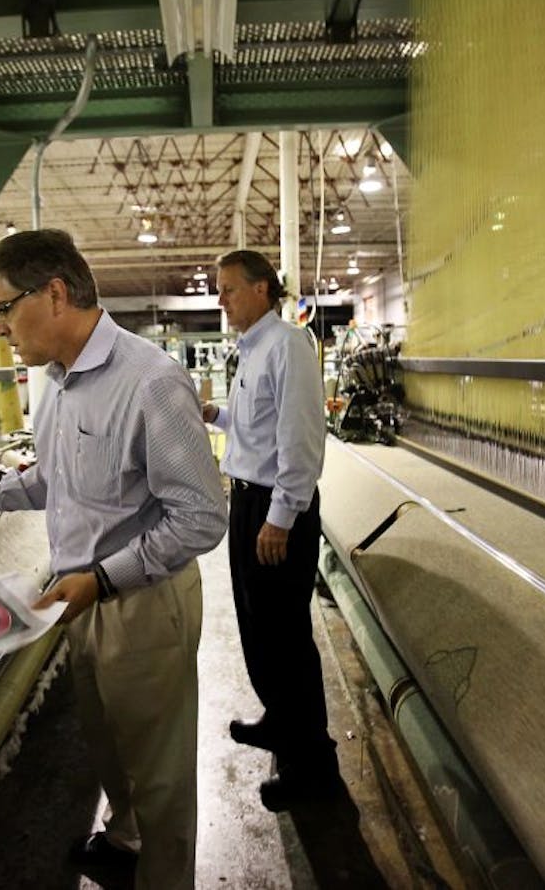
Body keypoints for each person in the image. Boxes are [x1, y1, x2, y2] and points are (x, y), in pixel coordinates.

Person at [0, 229, 226, 890]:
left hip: (142, 603)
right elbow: (54, 480)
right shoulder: (58, 386)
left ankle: (166, 878)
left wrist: (101, 578)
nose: (0, 328)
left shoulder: (150, 382)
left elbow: (202, 518)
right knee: (110, 747)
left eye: (5, 308)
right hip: (82, 597)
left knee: (159, 765)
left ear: (56, 294)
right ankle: (125, 840)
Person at [202, 248, 340, 811]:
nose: (221, 299)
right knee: (258, 626)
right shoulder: (252, 350)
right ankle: (280, 721)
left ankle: (314, 768)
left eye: (229, 288)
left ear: (262, 289)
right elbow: (259, 429)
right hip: (249, 505)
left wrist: (281, 517)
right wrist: (217, 417)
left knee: (286, 637)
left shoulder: (288, 347)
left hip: (274, 514)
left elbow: (301, 440)